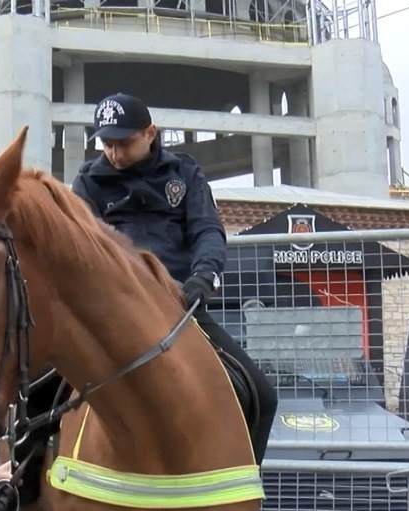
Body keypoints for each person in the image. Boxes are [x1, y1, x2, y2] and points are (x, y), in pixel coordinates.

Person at [70, 92, 278, 463]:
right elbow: (83, 247)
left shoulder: (185, 174)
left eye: (124, 142)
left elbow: (208, 231)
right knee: (35, 391)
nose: (114, 154)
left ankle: (246, 488)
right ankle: (20, 484)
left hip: (181, 305)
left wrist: (203, 277)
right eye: (107, 144)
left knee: (262, 394)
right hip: (112, 312)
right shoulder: (88, 182)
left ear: (150, 133)